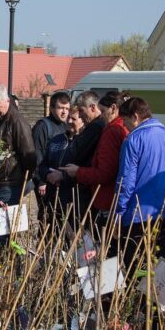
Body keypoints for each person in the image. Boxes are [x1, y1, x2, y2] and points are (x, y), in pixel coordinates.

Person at [115, 97, 165, 273]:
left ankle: (142, 300)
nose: (125, 127)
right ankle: (158, 300)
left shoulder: (133, 140)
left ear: (135, 116)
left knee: (138, 268)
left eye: (125, 122)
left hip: (140, 214)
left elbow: (126, 180)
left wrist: (119, 211)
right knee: (162, 268)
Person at [60, 91, 129, 237]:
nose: (101, 115)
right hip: (113, 199)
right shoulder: (119, 127)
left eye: (103, 111)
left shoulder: (112, 130)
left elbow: (105, 173)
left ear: (113, 108)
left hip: (106, 199)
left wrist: (78, 172)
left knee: (103, 249)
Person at [46, 91, 107, 220]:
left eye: (81, 110)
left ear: (92, 107)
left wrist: (63, 174)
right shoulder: (96, 126)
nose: (80, 114)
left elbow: (77, 155)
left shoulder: (96, 127)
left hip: (81, 191)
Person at [0, 84, 36, 208]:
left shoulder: (17, 122)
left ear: (7, 101)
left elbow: (29, 155)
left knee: (5, 225)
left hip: (9, 184)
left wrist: (25, 178)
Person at [37, 106, 85, 222]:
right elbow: (43, 165)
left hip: (74, 201)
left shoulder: (85, 142)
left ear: (83, 120)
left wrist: (63, 176)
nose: (68, 121)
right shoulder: (56, 140)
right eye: (68, 117)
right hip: (53, 198)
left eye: (73, 119)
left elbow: (86, 169)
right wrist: (48, 175)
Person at [32, 92, 70, 221]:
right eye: (60, 108)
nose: (64, 112)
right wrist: (41, 180)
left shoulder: (66, 126)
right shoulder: (42, 127)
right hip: (45, 181)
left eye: (67, 109)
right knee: (47, 217)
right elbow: (37, 155)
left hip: (59, 181)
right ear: (52, 108)